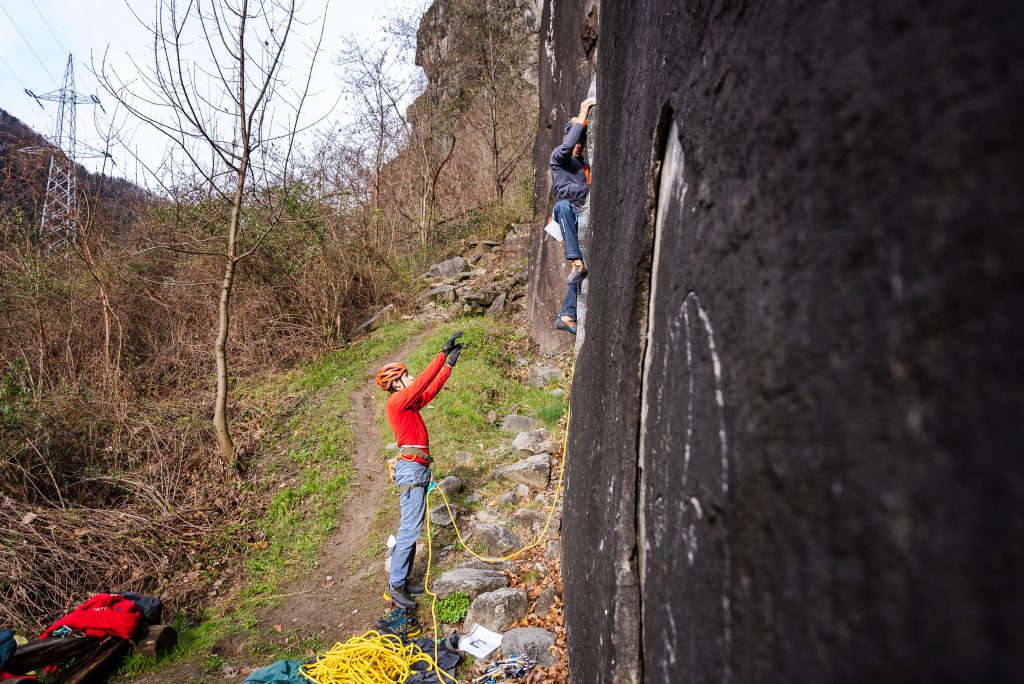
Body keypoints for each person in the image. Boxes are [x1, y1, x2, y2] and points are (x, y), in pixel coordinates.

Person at [374, 331, 464, 611]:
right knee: (409, 529)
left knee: (412, 529)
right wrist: (440, 354)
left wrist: (448, 366)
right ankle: (394, 587)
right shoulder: (395, 402)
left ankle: (402, 580)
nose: (412, 378)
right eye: (407, 376)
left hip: (418, 468)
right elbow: (423, 382)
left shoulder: (408, 405)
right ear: (396, 383)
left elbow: (429, 391)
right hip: (411, 470)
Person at [550, 96, 597, 335]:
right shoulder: (559, 157)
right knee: (563, 206)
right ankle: (575, 260)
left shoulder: (586, 167)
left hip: (584, 214)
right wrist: (583, 112)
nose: (578, 144)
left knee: (583, 272)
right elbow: (567, 146)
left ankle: (566, 314)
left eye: (582, 141)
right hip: (568, 213)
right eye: (575, 139)